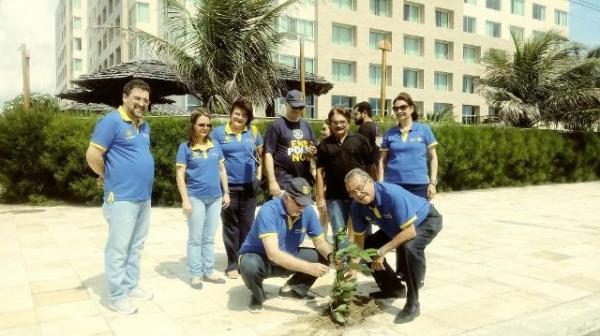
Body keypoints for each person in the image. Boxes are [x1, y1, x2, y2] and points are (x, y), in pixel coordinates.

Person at [85, 79, 155, 315]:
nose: (141, 103)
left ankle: (131, 285)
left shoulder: (144, 127)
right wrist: (106, 174)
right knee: (118, 248)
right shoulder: (111, 121)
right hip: (122, 197)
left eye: (145, 100)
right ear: (124, 97)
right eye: (137, 98)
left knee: (136, 246)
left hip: (143, 197)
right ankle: (116, 296)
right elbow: (92, 153)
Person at [345, 168, 442, 324]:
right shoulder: (357, 206)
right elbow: (358, 241)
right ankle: (393, 289)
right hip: (397, 227)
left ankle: (413, 303)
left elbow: (409, 232)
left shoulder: (391, 194)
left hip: (425, 220)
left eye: (359, 188)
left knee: (409, 247)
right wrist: (353, 270)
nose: (357, 195)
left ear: (370, 180)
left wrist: (382, 251)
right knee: (369, 245)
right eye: (352, 192)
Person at [238, 178, 333, 314]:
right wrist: (309, 268)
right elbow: (273, 254)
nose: (302, 208)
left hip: (287, 258)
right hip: (261, 259)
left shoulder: (307, 211)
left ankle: (293, 290)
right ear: (287, 198)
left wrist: (332, 256)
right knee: (249, 266)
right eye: (299, 204)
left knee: (322, 257)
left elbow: (320, 243)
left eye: (305, 204)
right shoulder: (269, 210)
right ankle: (257, 295)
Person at [176, 109, 230, 289]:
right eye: (201, 124)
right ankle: (195, 274)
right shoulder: (185, 147)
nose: (205, 128)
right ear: (193, 125)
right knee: (195, 238)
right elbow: (180, 175)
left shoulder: (215, 145)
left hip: (215, 198)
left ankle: (208, 271)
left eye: (208, 125)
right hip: (195, 197)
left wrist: (226, 192)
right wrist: (185, 200)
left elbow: (222, 170)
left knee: (208, 237)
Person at [211, 98, 263, 279]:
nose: (239, 117)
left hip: (250, 187)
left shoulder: (254, 132)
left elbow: (261, 155)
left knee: (247, 226)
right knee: (230, 226)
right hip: (228, 188)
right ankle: (232, 263)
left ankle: (244, 260)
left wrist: (258, 177)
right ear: (231, 113)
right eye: (237, 113)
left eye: (244, 115)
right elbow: (214, 161)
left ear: (248, 118)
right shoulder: (217, 134)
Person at [316, 107, 377, 241]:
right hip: (335, 197)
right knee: (340, 237)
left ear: (348, 122)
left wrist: (375, 190)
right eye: (335, 122)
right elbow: (319, 173)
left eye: (342, 121)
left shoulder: (361, 140)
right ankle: (341, 262)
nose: (339, 125)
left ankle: (362, 262)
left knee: (362, 235)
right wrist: (320, 197)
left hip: (360, 195)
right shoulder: (324, 145)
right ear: (330, 124)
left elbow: (371, 166)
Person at [379, 92, 438, 200]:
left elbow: (433, 158)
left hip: (419, 185)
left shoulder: (424, 130)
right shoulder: (389, 134)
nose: (399, 111)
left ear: (411, 108)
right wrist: (381, 184)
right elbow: (382, 161)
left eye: (403, 107)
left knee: (419, 216)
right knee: (396, 216)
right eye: (396, 108)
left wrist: (432, 183)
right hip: (394, 185)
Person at [264, 90, 317, 197]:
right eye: (294, 107)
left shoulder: (307, 126)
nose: (297, 110)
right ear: (286, 104)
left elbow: (314, 151)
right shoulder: (276, 125)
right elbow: (268, 154)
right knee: (284, 213)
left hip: (304, 183)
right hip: (283, 184)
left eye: (301, 107)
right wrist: (272, 181)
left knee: (304, 213)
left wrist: (312, 152)